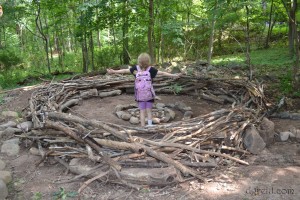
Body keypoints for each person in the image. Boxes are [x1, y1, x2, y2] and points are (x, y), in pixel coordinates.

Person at [107, 53, 181, 127]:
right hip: (149, 95)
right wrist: (174, 75)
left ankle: (142, 126)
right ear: (148, 61)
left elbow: (125, 71)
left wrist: (114, 71)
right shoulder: (151, 70)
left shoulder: (135, 69)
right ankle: (149, 125)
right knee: (149, 111)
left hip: (140, 96)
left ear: (139, 61)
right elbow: (162, 73)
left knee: (142, 112)